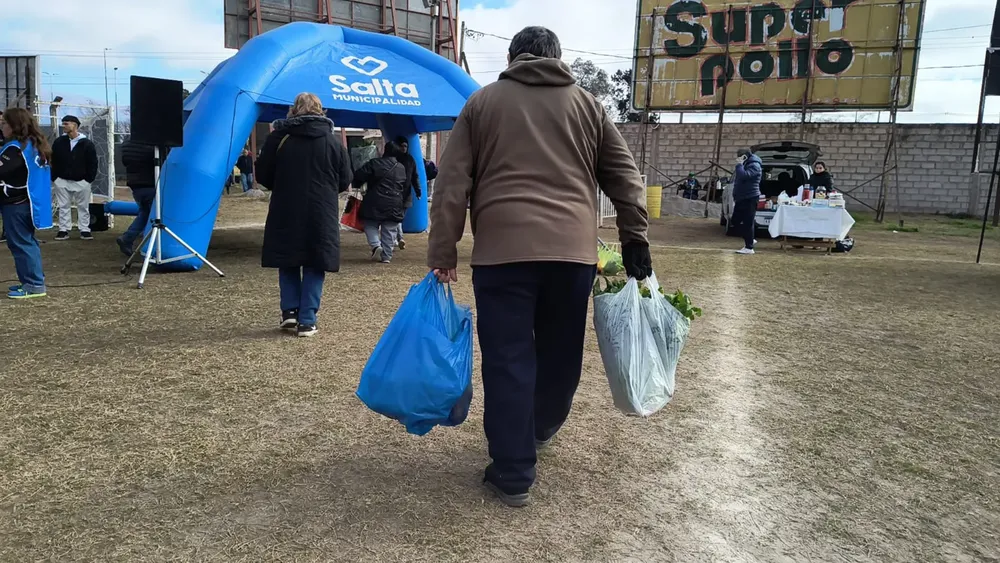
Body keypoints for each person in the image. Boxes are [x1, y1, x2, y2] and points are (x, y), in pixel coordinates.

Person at [426, 26, 652, 507]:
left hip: (501, 256)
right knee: (561, 353)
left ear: (512, 57)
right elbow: (625, 177)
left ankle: (511, 473)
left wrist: (443, 252)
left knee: (508, 361)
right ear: (559, 58)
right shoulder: (588, 105)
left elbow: (451, 184)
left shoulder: (483, 104)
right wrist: (634, 238)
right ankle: (542, 426)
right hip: (571, 256)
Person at [256, 92, 353, 337]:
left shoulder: (278, 138)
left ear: (294, 110)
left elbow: (263, 175)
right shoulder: (333, 143)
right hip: (321, 210)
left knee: (287, 259)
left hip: (285, 207)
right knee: (315, 261)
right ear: (321, 111)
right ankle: (307, 320)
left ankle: (289, 312)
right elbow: (345, 180)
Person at [0, 108, 53, 299]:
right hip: (26, 203)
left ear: (14, 125)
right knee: (24, 242)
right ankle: (29, 281)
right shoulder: (32, 144)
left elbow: (3, 170)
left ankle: (34, 284)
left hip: (17, 204)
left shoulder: (16, 149)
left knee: (22, 243)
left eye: (4, 123)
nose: (1, 126)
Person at [354, 142, 408, 264]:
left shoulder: (374, 163)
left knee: (370, 224)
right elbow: (404, 185)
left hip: (375, 200)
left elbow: (359, 175)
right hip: (395, 201)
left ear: (384, 150)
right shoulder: (401, 167)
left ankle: (375, 245)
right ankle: (387, 256)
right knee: (390, 229)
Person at [51, 115, 98, 241]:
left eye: (66, 123)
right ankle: (63, 230)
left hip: (82, 181)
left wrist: (88, 179)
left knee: (83, 206)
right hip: (62, 180)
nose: (64, 126)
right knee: (63, 205)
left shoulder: (87, 144)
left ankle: (85, 229)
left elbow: (93, 163)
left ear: (75, 125)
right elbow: (53, 160)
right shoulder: (59, 142)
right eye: (63, 123)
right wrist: (55, 177)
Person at [116, 138, 157, 257]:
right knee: (153, 215)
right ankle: (134, 239)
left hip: (136, 186)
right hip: (151, 184)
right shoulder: (152, 145)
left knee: (145, 213)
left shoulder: (127, 145)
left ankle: (129, 237)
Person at [391, 136, 421, 250]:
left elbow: (415, 176)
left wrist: (418, 191)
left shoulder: (409, 159)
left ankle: (397, 238)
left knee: (398, 217)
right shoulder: (400, 159)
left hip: (403, 193)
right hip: (397, 193)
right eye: (402, 146)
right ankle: (398, 238)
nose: (404, 148)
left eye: (406, 146)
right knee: (397, 217)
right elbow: (415, 176)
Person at [731, 148, 762, 255]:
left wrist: (739, 165)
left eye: (739, 156)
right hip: (742, 197)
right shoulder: (747, 164)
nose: (737, 158)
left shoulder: (754, 165)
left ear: (744, 156)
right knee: (735, 221)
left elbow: (744, 176)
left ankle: (749, 247)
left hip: (750, 197)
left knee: (747, 222)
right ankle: (750, 239)